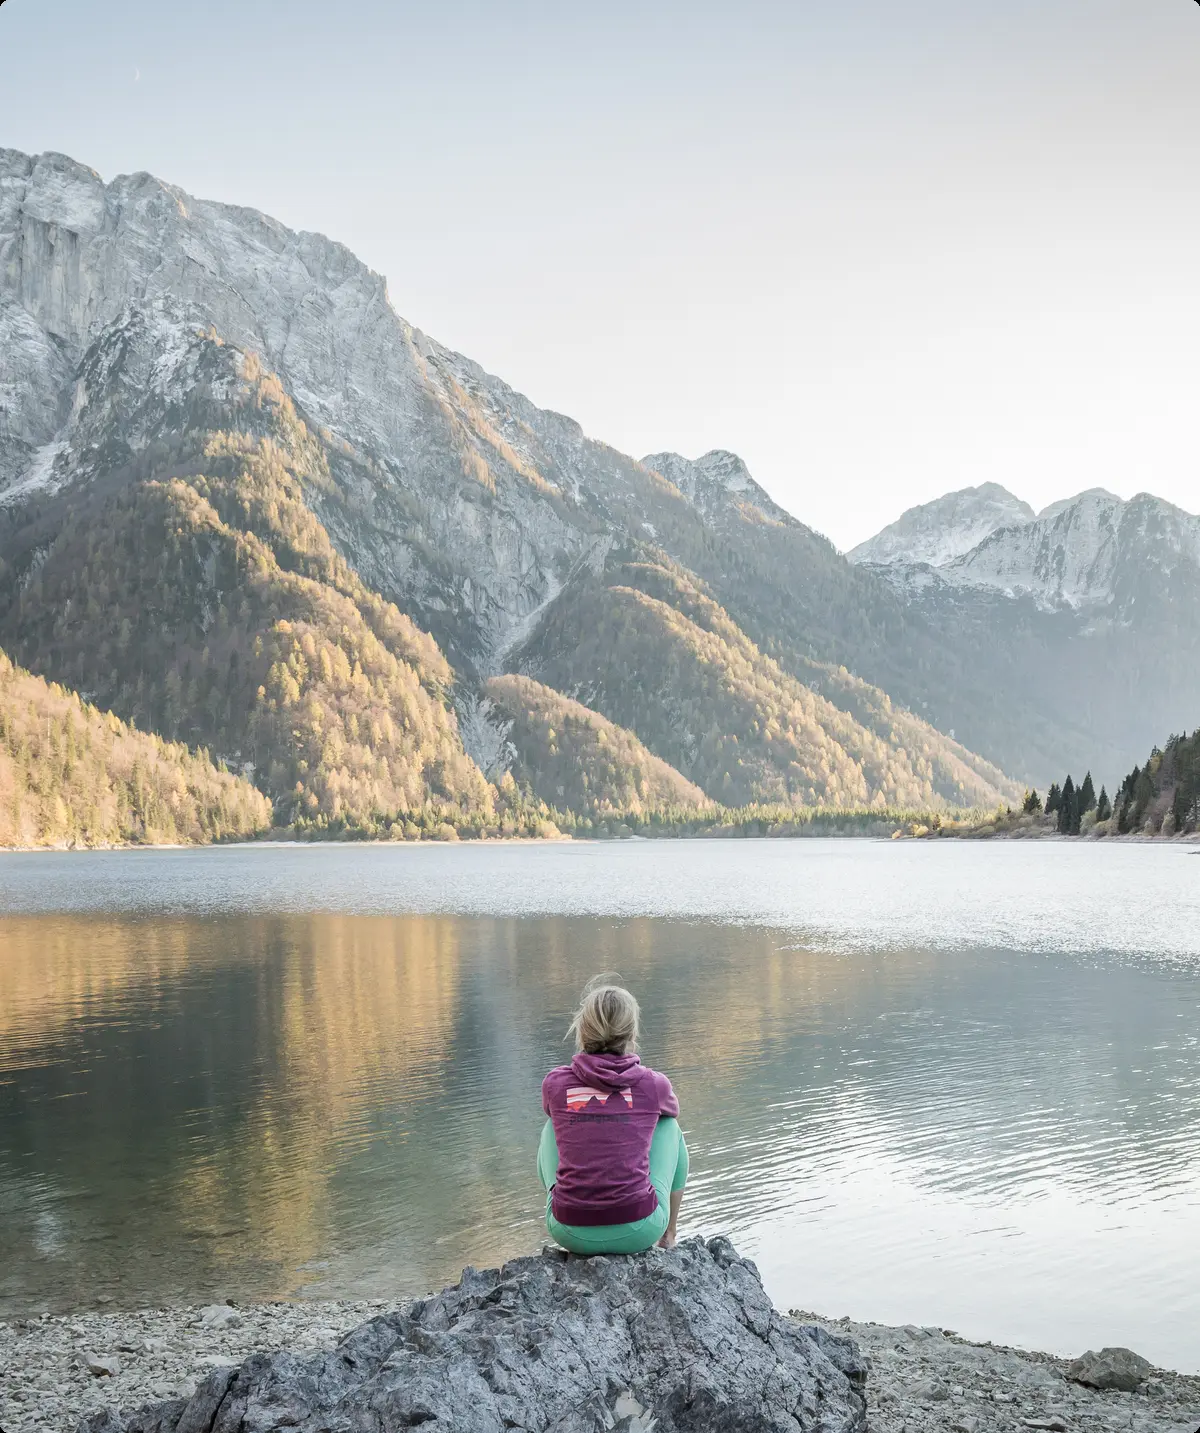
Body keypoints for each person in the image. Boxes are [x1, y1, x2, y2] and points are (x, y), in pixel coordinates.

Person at [538, 977, 688, 1254]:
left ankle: (566, 1202)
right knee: (669, 1124)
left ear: (582, 1029)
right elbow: (671, 1111)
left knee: (552, 1124)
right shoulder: (654, 1084)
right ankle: (668, 1235)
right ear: (631, 1033)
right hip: (640, 1229)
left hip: (568, 1231)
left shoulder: (555, 1083)